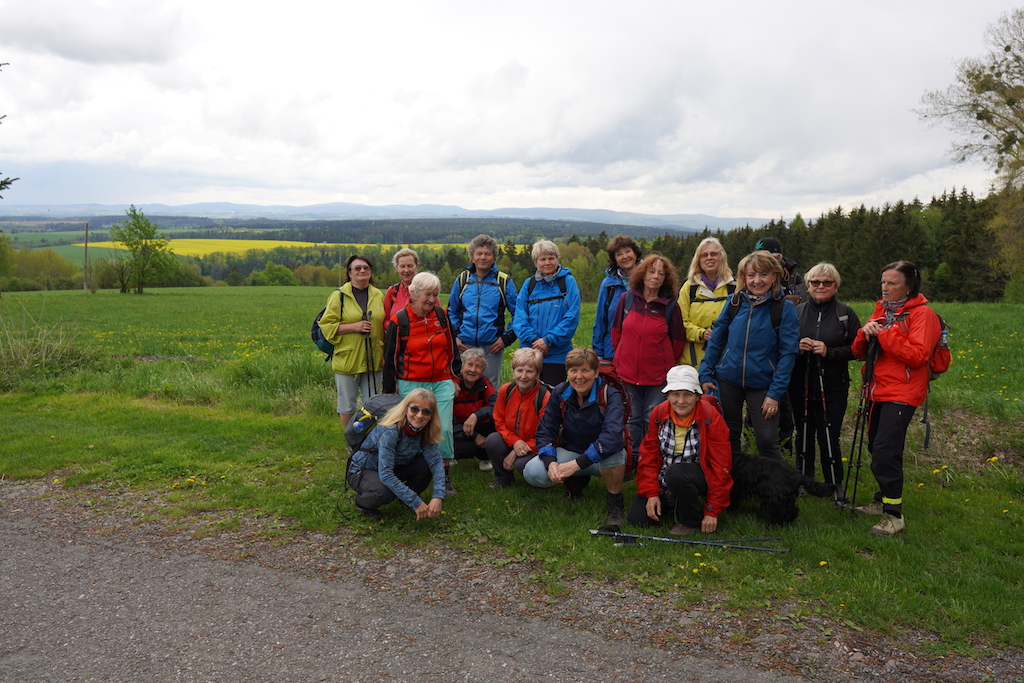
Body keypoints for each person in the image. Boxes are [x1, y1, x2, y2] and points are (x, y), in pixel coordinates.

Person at [851, 260, 941, 537]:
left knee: (885, 452)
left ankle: (893, 516)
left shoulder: (923, 315)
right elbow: (858, 352)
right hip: (878, 390)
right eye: (883, 282)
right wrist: (864, 333)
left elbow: (918, 355)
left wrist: (886, 333)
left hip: (903, 392)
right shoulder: (882, 310)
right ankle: (882, 501)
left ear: (909, 286)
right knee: (876, 448)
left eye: (892, 283)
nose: (885, 288)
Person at [699, 250, 799, 460]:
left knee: (766, 440)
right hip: (727, 381)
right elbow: (716, 339)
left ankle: (777, 489)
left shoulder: (784, 308)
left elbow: (788, 353)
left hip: (764, 384)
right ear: (743, 277)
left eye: (763, 274)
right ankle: (732, 486)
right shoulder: (735, 302)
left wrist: (775, 393)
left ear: (774, 276)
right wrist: (705, 374)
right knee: (728, 436)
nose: (757, 280)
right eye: (751, 275)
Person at [525, 348, 627, 529]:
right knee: (533, 472)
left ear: (596, 373)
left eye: (585, 370)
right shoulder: (560, 392)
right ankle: (575, 484)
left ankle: (615, 501)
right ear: (567, 373)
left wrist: (576, 464)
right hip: (572, 449)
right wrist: (551, 463)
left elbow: (612, 437)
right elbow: (546, 429)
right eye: (573, 371)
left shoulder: (609, 394)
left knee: (616, 455)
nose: (579, 377)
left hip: (602, 456)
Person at [628, 365, 732, 536]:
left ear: (698, 396)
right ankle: (672, 499)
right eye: (675, 394)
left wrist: (712, 510)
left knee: (676, 473)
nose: (681, 401)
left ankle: (690, 520)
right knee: (638, 519)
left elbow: (721, 465)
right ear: (667, 395)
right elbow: (648, 456)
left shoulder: (710, 417)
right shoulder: (659, 413)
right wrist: (652, 493)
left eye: (688, 395)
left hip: (698, 476)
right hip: (666, 476)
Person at [383, 272, 462, 495]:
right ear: (414, 294)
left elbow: (452, 350)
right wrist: (389, 393)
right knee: (411, 430)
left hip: (441, 381)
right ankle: (402, 471)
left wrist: (454, 378)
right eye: (428, 294)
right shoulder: (400, 321)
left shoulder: (442, 315)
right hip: (410, 384)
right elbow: (390, 359)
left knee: (444, 429)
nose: (432, 300)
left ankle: (444, 477)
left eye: (436, 295)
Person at [788, 263, 860, 495]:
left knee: (830, 434)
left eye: (827, 283)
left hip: (833, 387)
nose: (821, 286)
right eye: (815, 282)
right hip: (800, 385)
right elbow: (782, 344)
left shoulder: (846, 314)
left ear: (835, 286)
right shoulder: (796, 312)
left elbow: (858, 350)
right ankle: (804, 480)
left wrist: (829, 352)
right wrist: (797, 347)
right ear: (807, 286)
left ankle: (834, 484)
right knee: (803, 433)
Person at [611, 253, 685, 454]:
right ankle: (633, 458)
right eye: (652, 271)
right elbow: (616, 332)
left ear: (665, 279)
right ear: (642, 274)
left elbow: (677, 342)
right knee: (632, 418)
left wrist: (665, 363)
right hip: (627, 372)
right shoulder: (627, 300)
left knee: (652, 418)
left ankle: (651, 459)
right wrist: (622, 356)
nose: (656, 277)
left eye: (661, 274)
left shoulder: (670, 307)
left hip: (657, 376)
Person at [347, 388, 446, 522]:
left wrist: (438, 496)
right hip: (363, 470)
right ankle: (363, 504)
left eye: (426, 411)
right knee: (384, 492)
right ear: (406, 409)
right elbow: (386, 475)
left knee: (426, 464)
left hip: (391, 467)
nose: (419, 415)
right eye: (415, 409)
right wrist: (415, 501)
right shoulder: (391, 430)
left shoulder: (424, 429)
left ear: (431, 415)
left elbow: (436, 462)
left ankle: (403, 499)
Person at [318, 254, 384, 427]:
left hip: (374, 359)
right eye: (357, 268)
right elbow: (326, 325)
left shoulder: (378, 295)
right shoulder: (339, 296)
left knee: (372, 404)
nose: (362, 270)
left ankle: (369, 441)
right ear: (350, 273)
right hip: (347, 359)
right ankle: (352, 441)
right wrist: (354, 327)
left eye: (366, 268)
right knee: (347, 405)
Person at [448, 234, 518, 390]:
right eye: (479, 253)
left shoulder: (503, 281)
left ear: (493, 257)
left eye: (487, 254)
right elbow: (452, 311)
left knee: (489, 389)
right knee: (461, 387)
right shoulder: (462, 280)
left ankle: (490, 416)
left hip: (492, 347)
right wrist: (455, 338)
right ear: (472, 257)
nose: (483, 257)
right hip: (464, 346)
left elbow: (518, 314)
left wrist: (506, 339)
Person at [512, 240, 582, 386]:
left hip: (556, 356)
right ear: (536, 262)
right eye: (542, 259)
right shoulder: (529, 284)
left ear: (557, 259)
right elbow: (519, 317)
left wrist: (548, 340)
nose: (547, 263)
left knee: (552, 399)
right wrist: (535, 341)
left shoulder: (568, 282)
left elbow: (571, 317)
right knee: (527, 399)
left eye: (551, 258)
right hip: (528, 355)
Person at [484, 348, 550, 489]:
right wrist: (515, 442)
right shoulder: (506, 390)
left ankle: (535, 478)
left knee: (521, 464)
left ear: (537, 374)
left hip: (536, 445)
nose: (523, 376)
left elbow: (548, 433)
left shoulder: (545, 396)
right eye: (519, 370)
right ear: (513, 371)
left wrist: (517, 451)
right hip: (514, 439)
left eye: (529, 371)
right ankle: (503, 478)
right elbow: (498, 420)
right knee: (492, 440)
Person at [678, 237, 735, 369]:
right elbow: (681, 322)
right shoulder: (689, 287)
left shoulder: (734, 287)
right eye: (704, 255)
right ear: (698, 260)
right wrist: (702, 334)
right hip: (693, 362)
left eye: (714, 254)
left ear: (722, 257)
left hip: (726, 362)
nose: (709, 258)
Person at [592, 235, 641, 361]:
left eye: (628, 251)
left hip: (642, 350)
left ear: (635, 253)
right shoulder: (608, 284)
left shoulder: (650, 279)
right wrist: (598, 354)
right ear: (615, 259)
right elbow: (600, 321)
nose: (625, 256)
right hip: (613, 351)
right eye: (619, 254)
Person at [452, 347, 497, 471]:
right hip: (457, 431)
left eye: (478, 366)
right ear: (461, 367)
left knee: (493, 425)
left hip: (476, 424)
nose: (473, 370)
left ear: (482, 370)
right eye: (469, 365)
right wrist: (475, 436)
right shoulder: (453, 385)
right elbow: (447, 420)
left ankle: (484, 457)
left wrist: (476, 415)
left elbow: (496, 407)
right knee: (468, 449)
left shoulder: (485, 383)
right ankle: (450, 455)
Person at [754, 236, 806, 302]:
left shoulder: (793, 277)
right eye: (756, 257)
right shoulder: (749, 277)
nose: (758, 262)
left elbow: (802, 306)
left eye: (764, 258)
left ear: (777, 258)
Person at [383, 248, 419, 330]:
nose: (406, 270)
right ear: (397, 268)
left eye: (410, 266)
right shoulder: (392, 291)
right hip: (397, 341)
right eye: (402, 266)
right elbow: (385, 319)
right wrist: (393, 327)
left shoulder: (426, 290)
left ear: (417, 266)